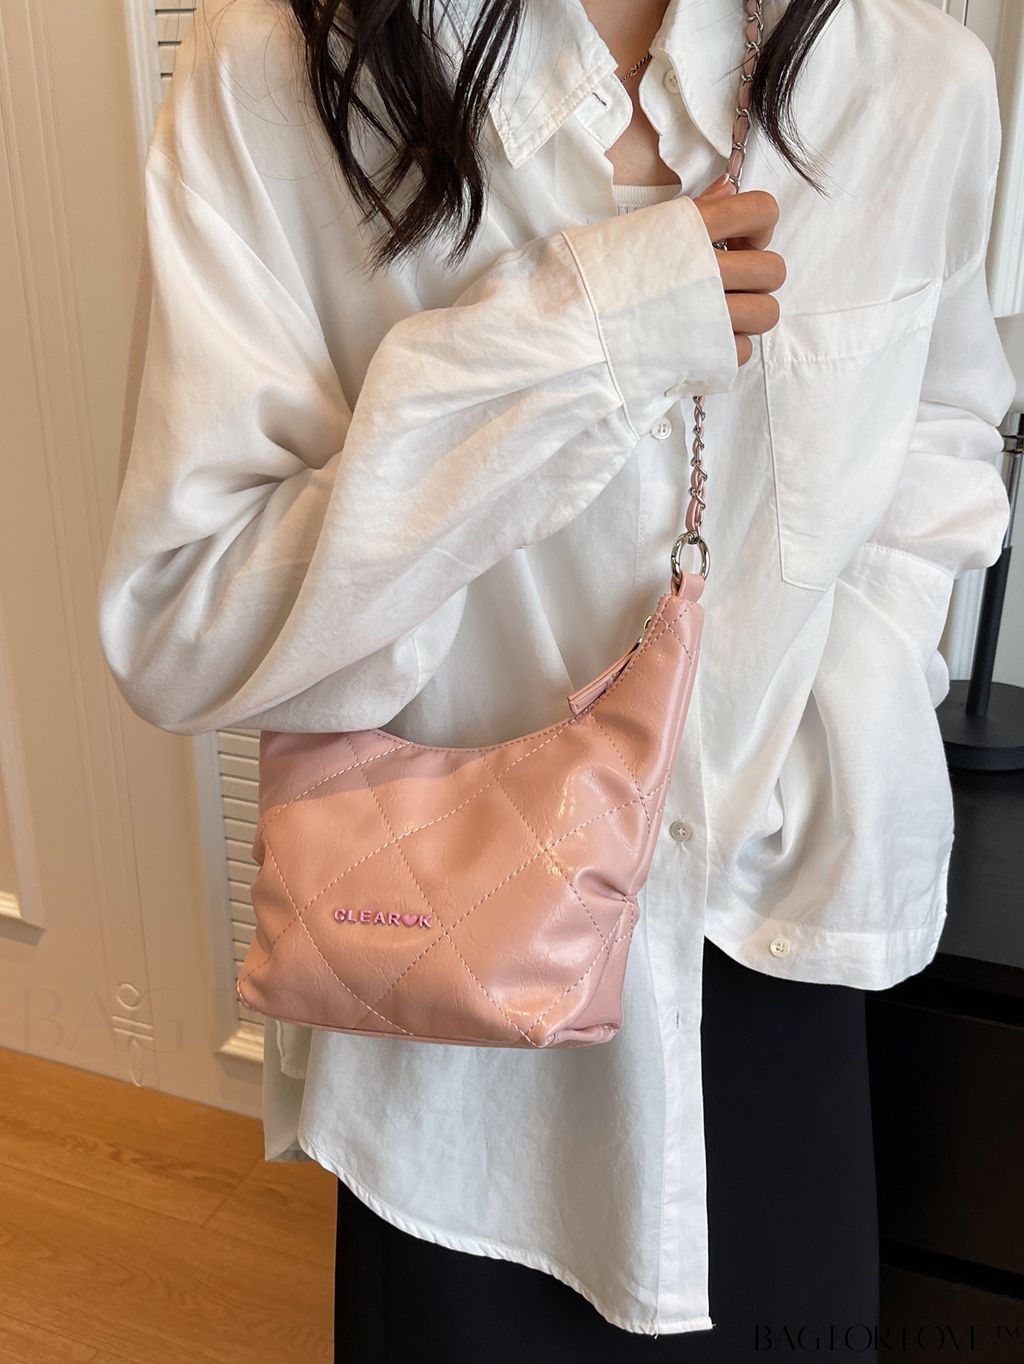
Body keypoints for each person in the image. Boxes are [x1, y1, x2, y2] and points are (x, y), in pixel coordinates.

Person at [96, 0, 1014, 1358]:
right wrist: (584, 342)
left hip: (770, 944)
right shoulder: (285, 71)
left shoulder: (909, 76)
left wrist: (857, 675)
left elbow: (940, 430)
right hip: (449, 1007)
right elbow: (186, 622)